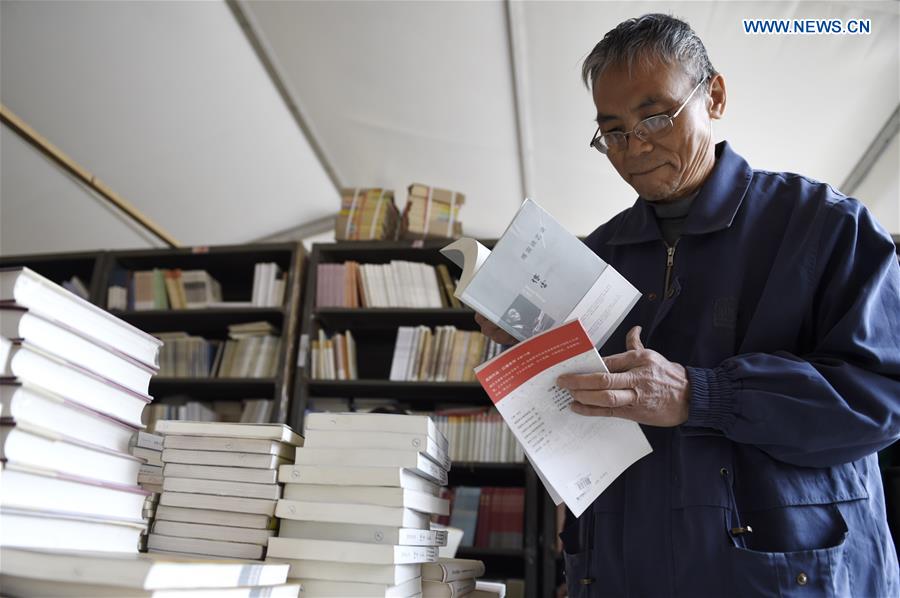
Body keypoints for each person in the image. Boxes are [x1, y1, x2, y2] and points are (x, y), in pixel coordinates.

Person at [475, 13, 900, 597]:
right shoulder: (591, 256)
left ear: (715, 96)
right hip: (624, 570)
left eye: (654, 115)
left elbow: (883, 400)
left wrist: (699, 395)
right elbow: (578, 418)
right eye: (614, 131)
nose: (636, 145)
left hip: (784, 575)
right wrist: (530, 352)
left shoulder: (825, 227)